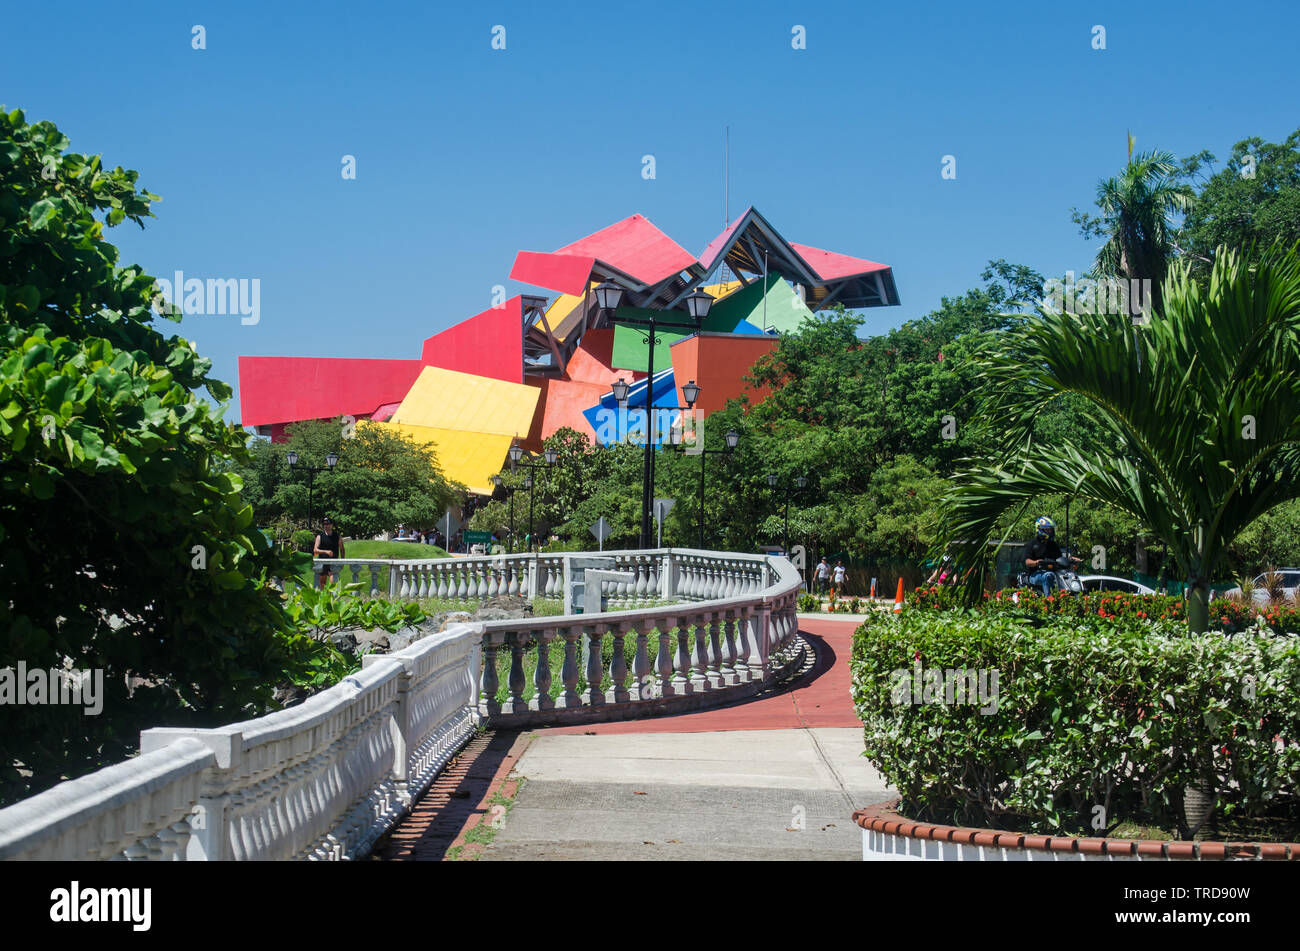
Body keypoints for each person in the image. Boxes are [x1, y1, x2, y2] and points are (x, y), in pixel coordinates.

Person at [1023, 516, 1080, 596]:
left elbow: (1059, 558)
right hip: (1035, 574)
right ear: (1040, 529)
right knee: (1048, 575)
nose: (1050, 531)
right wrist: (1036, 562)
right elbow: (1027, 562)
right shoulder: (1032, 543)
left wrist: (1071, 559)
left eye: (1051, 529)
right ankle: (1049, 600)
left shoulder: (1053, 545)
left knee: (1069, 575)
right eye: (1047, 529)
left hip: (1054, 572)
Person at [314, 516, 345, 588]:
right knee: (322, 584)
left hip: (333, 562)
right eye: (324, 524)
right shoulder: (320, 536)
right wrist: (326, 552)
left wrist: (342, 561)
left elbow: (342, 549)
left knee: (332, 582)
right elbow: (315, 550)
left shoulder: (337, 536)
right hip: (323, 562)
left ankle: (332, 598)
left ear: (332, 525)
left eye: (328, 524)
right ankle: (324, 598)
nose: (326, 526)